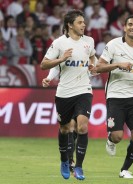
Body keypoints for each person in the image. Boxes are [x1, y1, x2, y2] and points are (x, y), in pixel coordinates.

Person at [96, 15, 133, 179]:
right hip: (115, 96)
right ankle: (110, 139)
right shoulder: (113, 45)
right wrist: (117, 64)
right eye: (129, 24)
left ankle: (124, 170)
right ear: (124, 27)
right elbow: (98, 67)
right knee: (117, 137)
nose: (132, 27)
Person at [40, 9, 96, 180]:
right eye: (80, 22)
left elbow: (92, 57)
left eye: (84, 22)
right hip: (64, 92)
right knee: (65, 129)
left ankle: (78, 167)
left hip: (84, 89)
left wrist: (93, 66)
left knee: (82, 126)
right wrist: (60, 60)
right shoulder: (59, 43)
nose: (84, 25)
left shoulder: (89, 41)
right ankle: (64, 160)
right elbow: (44, 64)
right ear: (70, 25)